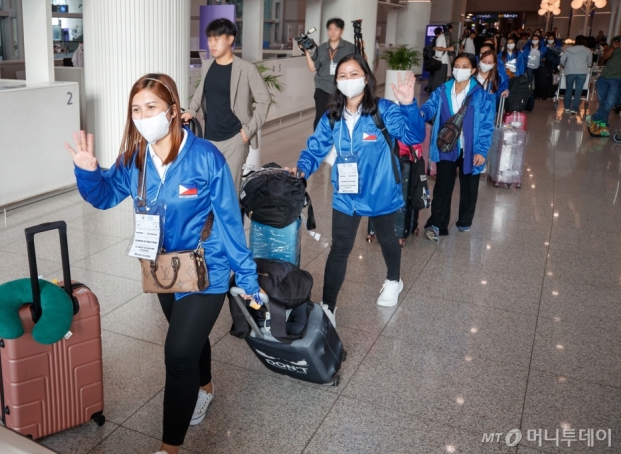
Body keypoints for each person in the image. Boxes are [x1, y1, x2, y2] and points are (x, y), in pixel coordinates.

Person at [65, 73, 263, 454]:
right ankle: (205, 387)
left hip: (209, 268)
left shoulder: (205, 157)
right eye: (136, 109)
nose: (142, 116)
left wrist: (249, 278)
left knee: (177, 353)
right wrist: (88, 171)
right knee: (188, 338)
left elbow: (229, 220)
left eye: (151, 107)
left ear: (172, 111)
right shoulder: (134, 160)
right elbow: (104, 196)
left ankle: (168, 448)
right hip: (163, 269)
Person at [290, 54, 425, 324]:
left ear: (365, 77)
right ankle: (328, 307)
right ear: (336, 81)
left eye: (354, 74)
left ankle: (393, 280)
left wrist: (409, 105)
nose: (348, 80)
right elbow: (314, 149)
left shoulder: (383, 110)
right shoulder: (332, 116)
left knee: (388, 239)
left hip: (381, 190)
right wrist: (302, 168)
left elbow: (413, 136)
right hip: (346, 193)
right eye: (343, 75)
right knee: (340, 248)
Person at [182, 19, 271, 192]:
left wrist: (249, 130)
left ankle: (232, 220)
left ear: (230, 39)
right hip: (209, 139)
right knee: (210, 190)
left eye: (217, 39)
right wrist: (191, 110)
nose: (212, 44)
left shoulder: (246, 69)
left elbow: (264, 100)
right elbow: (201, 91)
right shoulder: (207, 65)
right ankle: (213, 221)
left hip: (234, 139)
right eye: (209, 39)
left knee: (229, 191)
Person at [421, 53, 493, 241]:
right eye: (457, 66)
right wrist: (421, 112)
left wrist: (481, 150)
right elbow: (431, 107)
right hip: (447, 146)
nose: (459, 69)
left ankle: (464, 222)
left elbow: (486, 125)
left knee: (469, 187)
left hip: (471, 148)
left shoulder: (480, 94)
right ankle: (437, 224)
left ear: (472, 70)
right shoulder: (443, 90)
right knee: (443, 186)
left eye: (464, 66)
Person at [302, 18, 356, 130]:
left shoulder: (350, 47)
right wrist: (306, 51)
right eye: (330, 29)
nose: (332, 32)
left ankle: (338, 140)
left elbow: (361, 64)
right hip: (322, 88)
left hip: (343, 89)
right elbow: (312, 68)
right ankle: (318, 141)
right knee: (320, 117)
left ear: (341, 31)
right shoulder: (321, 48)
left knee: (341, 117)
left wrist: (362, 48)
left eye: (336, 29)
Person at [586, 36, 621, 136]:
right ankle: (602, 127)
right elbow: (605, 57)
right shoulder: (616, 40)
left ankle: (593, 118)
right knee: (603, 104)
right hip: (604, 77)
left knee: (609, 103)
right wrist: (613, 48)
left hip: (617, 79)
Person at [560, 35, 592, 117]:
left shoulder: (569, 49)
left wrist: (564, 65)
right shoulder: (587, 50)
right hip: (582, 72)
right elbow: (589, 62)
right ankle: (574, 109)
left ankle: (567, 107)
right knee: (578, 91)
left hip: (570, 71)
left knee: (569, 89)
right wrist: (586, 65)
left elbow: (562, 59)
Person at [428, 27, 453, 93]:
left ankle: (438, 93)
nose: (451, 31)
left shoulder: (445, 37)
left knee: (441, 78)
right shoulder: (441, 37)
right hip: (440, 61)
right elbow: (438, 48)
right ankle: (435, 93)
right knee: (438, 78)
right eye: (451, 29)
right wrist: (448, 49)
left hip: (443, 61)